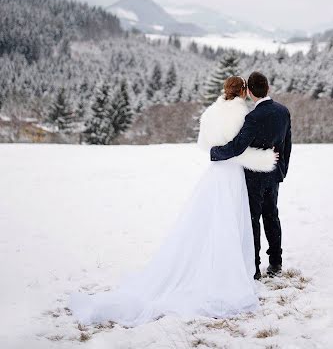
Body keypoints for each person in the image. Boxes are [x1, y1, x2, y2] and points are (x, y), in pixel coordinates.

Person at [68, 76, 277, 327]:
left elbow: (205, 145)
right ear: (243, 91)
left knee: (209, 221)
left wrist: (215, 154)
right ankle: (226, 271)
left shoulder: (212, 112)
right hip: (231, 175)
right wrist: (265, 160)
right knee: (229, 221)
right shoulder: (241, 115)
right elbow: (237, 149)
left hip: (215, 176)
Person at [211, 71, 291, 280]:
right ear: (268, 88)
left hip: (254, 177)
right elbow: (287, 145)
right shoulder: (283, 111)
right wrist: (282, 169)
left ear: (249, 92)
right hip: (274, 174)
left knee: (253, 220)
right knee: (272, 216)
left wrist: (215, 152)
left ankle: (254, 268)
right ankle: (276, 262)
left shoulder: (252, 117)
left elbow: (237, 147)